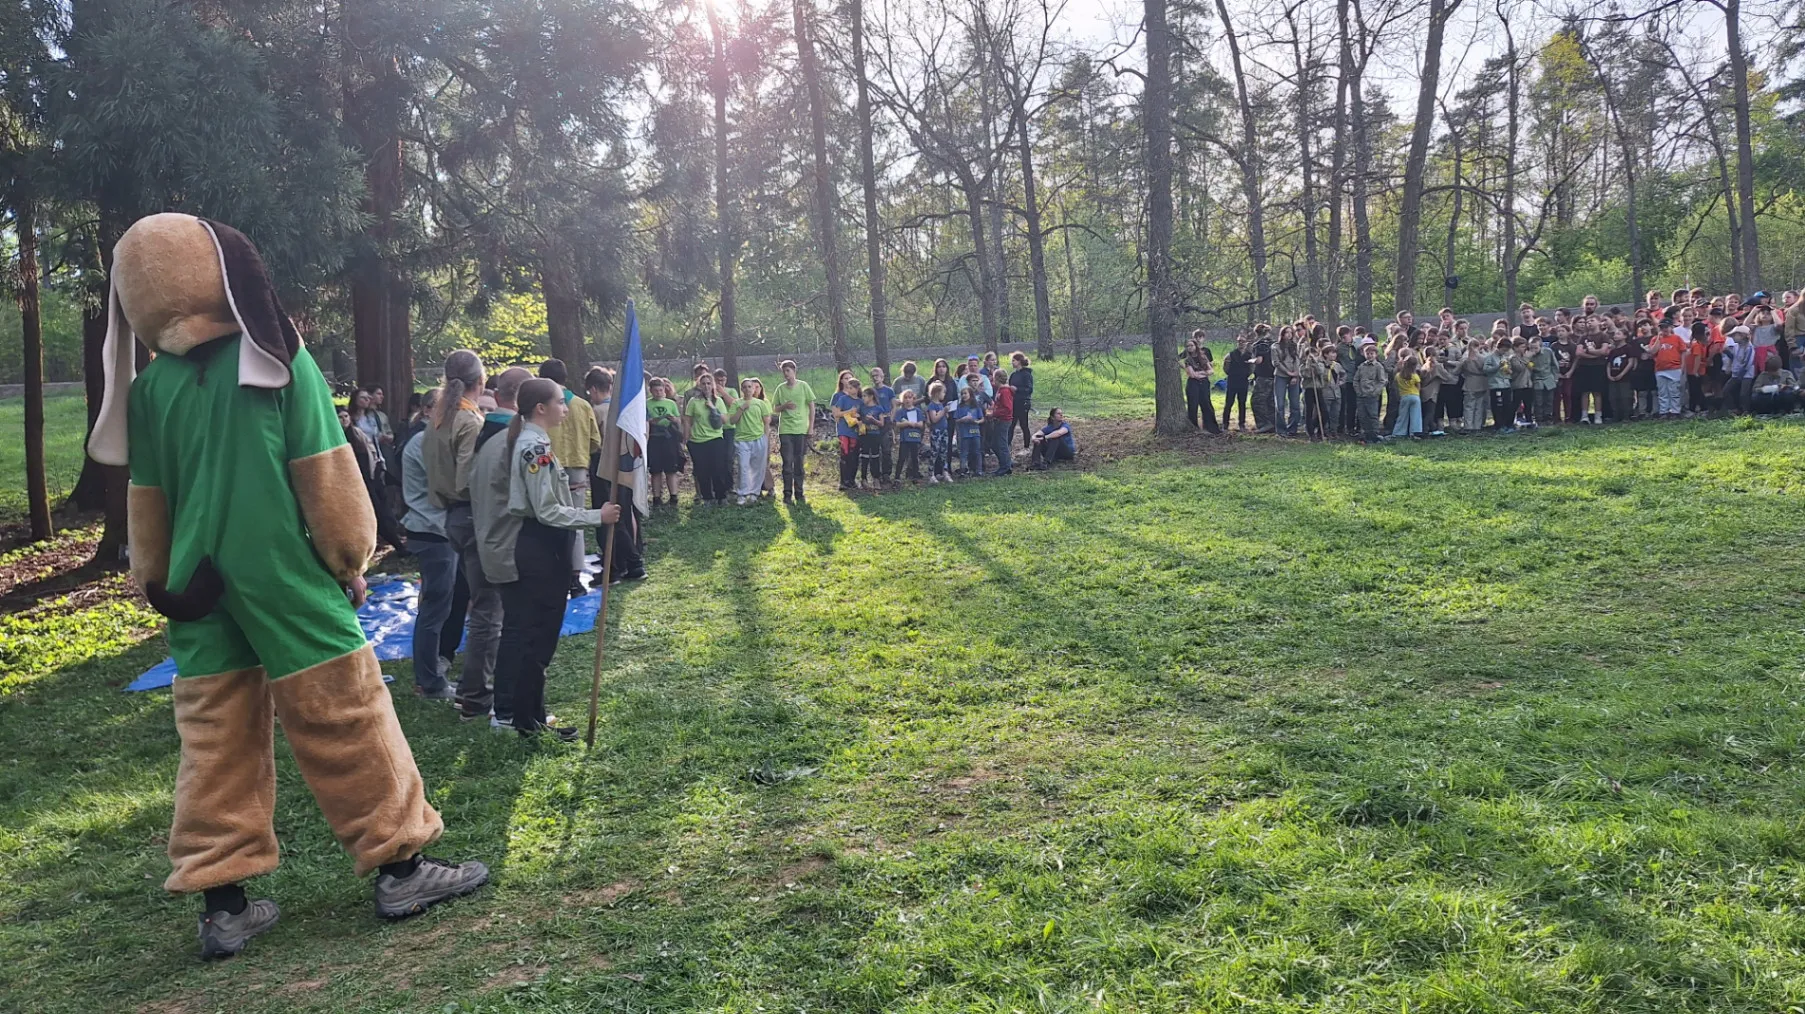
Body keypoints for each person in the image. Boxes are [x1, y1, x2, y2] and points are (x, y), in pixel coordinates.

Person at [88, 212, 484, 959]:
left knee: (215, 736)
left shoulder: (149, 389)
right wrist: (349, 561)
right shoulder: (276, 357)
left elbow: (149, 498)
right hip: (278, 567)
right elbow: (324, 471)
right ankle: (401, 868)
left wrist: (157, 581)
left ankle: (223, 905)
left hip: (192, 583)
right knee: (343, 710)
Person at [493, 378, 621, 741]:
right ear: (541, 408)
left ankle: (533, 716)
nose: (566, 408)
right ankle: (527, 721)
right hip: (541, 546)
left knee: (540, 636)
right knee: (539, 636)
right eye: (560, 403)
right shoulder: (534, 448)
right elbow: (547, 510)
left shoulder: (537, 442)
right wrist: (597, 516)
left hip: (544, 544)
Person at [425, 350, 504, 709]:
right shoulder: (468, 421)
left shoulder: (439, 417)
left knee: (479, 603)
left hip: (452, 516)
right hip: (472, 515)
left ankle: (475, 684)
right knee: (488, 609)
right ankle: (475, 692)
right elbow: (469, 480)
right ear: (481, 381)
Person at [467, 366, 532, 725]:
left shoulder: (486, 433)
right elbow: (536, 503)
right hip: (507, 541)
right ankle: (503, 708)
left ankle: (479, 698)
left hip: (481, 532)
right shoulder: (511, 439)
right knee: (509, 625)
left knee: (491, 619)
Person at [400, 420, 458, 700]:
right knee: (434, 609)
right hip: (432, 532)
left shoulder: (433, 441)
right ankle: (429, 682)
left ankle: (433, 672)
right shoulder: (427, 443)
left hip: (436, 530)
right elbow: (450, 486)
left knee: (439, 607)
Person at [537, 359, 602, 596]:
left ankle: (552, 571)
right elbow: (595, 441)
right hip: (577, 466)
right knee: (576, 520)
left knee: (547, 519)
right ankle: (575, 578)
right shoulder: (583, 405)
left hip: (547, 466)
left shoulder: (540, 406)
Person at [584, 368, 646, 583]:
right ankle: (622, 562)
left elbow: (594, 442)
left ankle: (623, 564)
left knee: (608, 515)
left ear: (593, 389)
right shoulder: (624, 409)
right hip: (626, 465)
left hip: (604, 466)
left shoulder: (597, 410)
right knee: (624, 513)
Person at [682, 370, 732, 505]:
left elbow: (725, 420)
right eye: (703, 383)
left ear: (713, 385)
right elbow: (687, 421)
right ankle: (707, 498)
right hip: (697, 441)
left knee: (718, 469)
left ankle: (721, 496)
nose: (706, 386)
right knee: (702, 471)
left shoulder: (718, 401)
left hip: (715, 439)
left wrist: (713, 408)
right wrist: (686, 439)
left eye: (709, 383)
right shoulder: (693, 401)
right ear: (699, 385)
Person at [771, 362, 815, 505]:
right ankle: (787, 494)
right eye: (784, 371)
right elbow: (775, 409)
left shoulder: (803, 386)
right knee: (787, 462)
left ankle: (799, 493)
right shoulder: (780, 388)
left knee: (799, 462)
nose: (786, 374)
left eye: (788, 370)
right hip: (786, 430)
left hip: (800, 429)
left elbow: (812, 407)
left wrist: (810, 427)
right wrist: (784, 406)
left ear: (794, 371)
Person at [729, 377, 773, 506]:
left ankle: (754, 493)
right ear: (742, 389)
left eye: (750, 387)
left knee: (757, 467)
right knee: (743, 466)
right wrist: (741, 409)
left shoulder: (760, 404)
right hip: (742, 440)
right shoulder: (736, 403)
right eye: (745, 387)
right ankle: (742, 494)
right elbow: (732, 421)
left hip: (758, 439)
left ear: (753, 389)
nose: (748, 389)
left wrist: (765, 438)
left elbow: (766, 422)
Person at [646, 378, 684, 506]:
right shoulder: (646, 404)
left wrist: (674, 420)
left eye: (660, 390)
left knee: (671, 469)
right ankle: (656, 497)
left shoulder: (671, 403)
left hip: (669, 438)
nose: (658, 393)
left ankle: (673, 496)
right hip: (654, 438)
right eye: (655, 390)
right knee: (655, 470)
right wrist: (653, 421)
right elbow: (645, 420)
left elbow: (678, 420)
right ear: (651, 391)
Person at [831, 374, 863, 491]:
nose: (848, 390)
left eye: (851, 388)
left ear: (857, 389)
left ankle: (852, 480)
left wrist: (859, 417)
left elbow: (863, 415)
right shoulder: (843, 399)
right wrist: (849, 411)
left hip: (855, 431)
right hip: (844, 430)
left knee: (854, 455)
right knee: (845, 453)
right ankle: (843, 481)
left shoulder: (860, 402)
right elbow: (837, 414)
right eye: (847, 388)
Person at [1183, 334, 1220, 433]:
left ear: (1196, 346)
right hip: (1193, 384)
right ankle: (1194, 427)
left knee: (1206, 404)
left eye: (1191, 345)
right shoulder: (1188, 360)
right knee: (1193, 405)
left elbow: (1211, 371)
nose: (1190, 347)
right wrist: (1204, 373)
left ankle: (1211, 427)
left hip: (1204, 383)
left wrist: (1202, 373)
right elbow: (1192, 375)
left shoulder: (1203, 357)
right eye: (1188, 346)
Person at [1354, 342, 1388, 444]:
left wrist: (1375, 392)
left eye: (1371, 354)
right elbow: (1356, 380)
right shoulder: (1361, 366)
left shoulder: (1378, 366)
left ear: (1376, 354)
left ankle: (1374, 435)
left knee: (1372, 415)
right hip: (1361, 395)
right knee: (1362, 415)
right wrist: (1358, 391)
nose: (1369, 355)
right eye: (1367, 354)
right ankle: (1365, 434)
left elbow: (1382, 381)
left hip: (1372, 395)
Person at [868, 367, 896, 485]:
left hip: (886, 421)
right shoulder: (870, 391)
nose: (875, 378)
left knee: (886, 449)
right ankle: (875, 475)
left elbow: (894, 406)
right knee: (874, 450)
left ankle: (886, 474)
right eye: (873, 376)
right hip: (874, 422)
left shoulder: (889, 391)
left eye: (877, 375)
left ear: (882, 376)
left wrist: (891, 419)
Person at [986, 368, 1015, 474]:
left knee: (1001, 444)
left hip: (1004, 421)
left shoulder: (1005, 391)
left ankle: (1006, 467)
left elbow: (1007, 408)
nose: (992, 380)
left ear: (997, 378)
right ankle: (1006, 462)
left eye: (994, 378)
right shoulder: (1000, 390)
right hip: (999, 420)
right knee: (994, 444)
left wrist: (994, 413)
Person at [893, 388, 926, 482]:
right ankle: (897, 477)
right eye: (905, 398)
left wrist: (914, 424)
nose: (907, 400)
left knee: (914, 458)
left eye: (910, 397)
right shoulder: (900, 411)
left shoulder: (917, 411)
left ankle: (915, 476)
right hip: (905, 438)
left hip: (915, 438)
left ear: (913, 399)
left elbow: (921, 424)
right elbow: (897, 424)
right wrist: (907, 423)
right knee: (902, 458)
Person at [1389, 354, 1424, 439]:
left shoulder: (1398, 376)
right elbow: (1419, 387)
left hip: (1404, 396)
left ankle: (1398, 433)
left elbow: (1396, 386)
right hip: (1415, 396)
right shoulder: (1415, 376)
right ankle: (1414, 433)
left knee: (1402, 415)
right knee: (1416, 415)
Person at [953, 386, 985, 477]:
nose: (963, 395)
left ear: (970, 394)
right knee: (964, 452)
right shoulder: (960, 407)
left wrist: (976, 422)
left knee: (977, 452)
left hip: (975, 433)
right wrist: (962, 419)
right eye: (962, 394)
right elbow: (956, 420)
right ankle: (963, 470)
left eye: (965, 393)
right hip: (965, 434)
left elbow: (982, 418)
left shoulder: (976, 406)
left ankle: (979, 470)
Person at [1222, 334, 1253, 431]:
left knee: (1242, 403)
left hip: (1243, 381)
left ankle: (1242, 424)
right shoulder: (1230, 355)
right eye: (1239, 341)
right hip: (1232, 381)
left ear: (1246, 342)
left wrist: (1245, 375)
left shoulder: (1249, 355)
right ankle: (1225, 424)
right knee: (1229, 403)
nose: (1241, 343)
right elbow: (1226, 368)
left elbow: (1252, 369)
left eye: (1243, 341)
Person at [1249, 324, 1276, 433]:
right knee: (1271, 401)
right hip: (1274, 375)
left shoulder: (1259, 345)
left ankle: (1263, 424)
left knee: (1257, 401)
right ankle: (1273, 423)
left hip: (1263, 376)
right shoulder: (1274, 344)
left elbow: (1259, 360)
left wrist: (1251, 361)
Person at [857, 387, 885, 489]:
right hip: (864, 435)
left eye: (865, 396)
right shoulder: (862, 408)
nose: (863, 398)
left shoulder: (878, 408)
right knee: (864, 456)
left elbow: (881, 423)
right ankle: (863, 479)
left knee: (875, 456)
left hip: (875, 435)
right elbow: (858, 419)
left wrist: (873, 420)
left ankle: (876, 479)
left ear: (871, 396)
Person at [926, 382, 953, 484]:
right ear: (937, 393)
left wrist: (945, 413)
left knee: (944, 452)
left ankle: (945, 472)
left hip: (944, 430)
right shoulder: (932, 405)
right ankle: (931, 474)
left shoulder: (941, 405)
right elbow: (934, 419)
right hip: (936, 431)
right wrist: (943, 411)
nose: (944, 394)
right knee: (934, 452)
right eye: (943, 392)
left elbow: (942, 416)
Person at [1008, 352, 1036, 449]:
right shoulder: (1013, 375)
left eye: (1014, 360)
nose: (1012, 362)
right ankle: (1007, 445)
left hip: (1023, 402)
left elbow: (1029, 389)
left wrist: (1017, 389)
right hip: (1013, 402)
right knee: (1011, 425)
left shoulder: (1026, 375)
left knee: (1024, 425)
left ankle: (1026, 446)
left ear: (1019, 361)